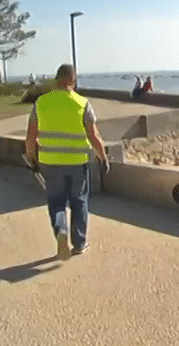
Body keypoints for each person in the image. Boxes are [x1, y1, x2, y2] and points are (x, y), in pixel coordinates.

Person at [25, 64, 110, 261]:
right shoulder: (82, 103)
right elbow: (94, 135)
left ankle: (61, 230)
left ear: (56, 79)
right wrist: (103, 156)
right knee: (79, 201)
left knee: (56, 202)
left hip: (49, 162)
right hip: (77, 162)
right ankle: (79, 244)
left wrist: (32, 159)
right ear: (73, 80)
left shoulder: (41, 103)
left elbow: (30, 137)